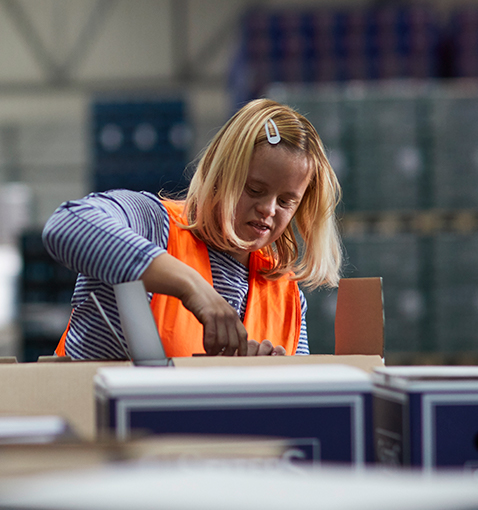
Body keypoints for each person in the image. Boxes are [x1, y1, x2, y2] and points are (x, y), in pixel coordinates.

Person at [42, 98, 342, 360]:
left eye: (287, 201)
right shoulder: (153, 225)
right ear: (218, 172)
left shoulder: (286, 295)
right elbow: (67, 224)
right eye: (253, 189)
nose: (269, 209)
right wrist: (192, 287)